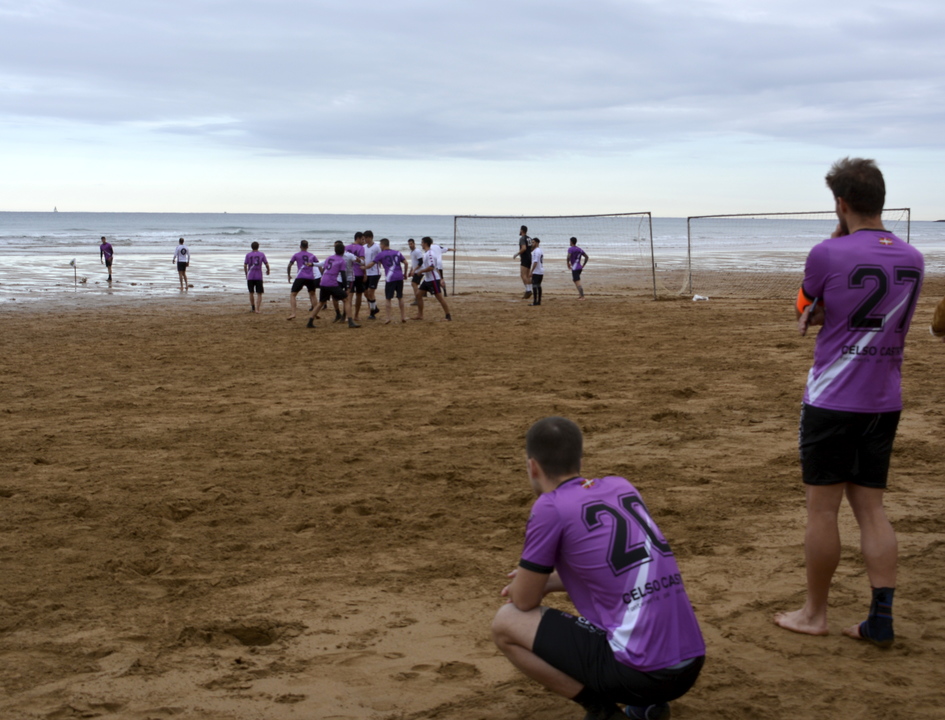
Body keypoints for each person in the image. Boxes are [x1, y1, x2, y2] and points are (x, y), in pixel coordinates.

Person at [774, 158, 924, 648]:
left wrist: (816, 311)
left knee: (822, 511)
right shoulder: (914, 259)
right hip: (884, 399)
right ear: (881, 200)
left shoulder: (827, 252)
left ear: (840, 203)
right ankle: (880, 618)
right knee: (872, 510)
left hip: (833, 397)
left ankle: (814, 613)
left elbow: (803, 307)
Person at [492, 417, 705, 720]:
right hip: (690, 662)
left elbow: (525, 601)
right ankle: (648, 707)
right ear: (580, 460)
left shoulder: (549, 506)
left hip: (643, 674)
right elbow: (619, 569)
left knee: (506, 622)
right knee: (626, 608)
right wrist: (550, 581)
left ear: (532, 466)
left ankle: (603, 712)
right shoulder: (621, 486)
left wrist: (524, 586)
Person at [313, 241, 360, 329]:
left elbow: (360, 262)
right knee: (337, 298)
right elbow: (323, 264)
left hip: (348, 279)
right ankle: (338, 314)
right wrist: (313, 264)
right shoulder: (334, 257)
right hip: (337, 279)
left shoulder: (349, 256)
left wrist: (359, 260)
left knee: (347, 298)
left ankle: (345, 316)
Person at [366, 238, 410, 324]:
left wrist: (364, 267)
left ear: (383, 245)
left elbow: (372, 264)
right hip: (399, 277)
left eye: (380, 245)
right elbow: (406, 263)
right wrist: (405, 274)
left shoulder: (381, 254)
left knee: (388, 298)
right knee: (400, 297)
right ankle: (403, 316)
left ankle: (388, 318)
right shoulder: (397, 252)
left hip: (390, 278)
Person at [414, 237, 451, 321]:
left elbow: (431, 267)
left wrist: (421, 271)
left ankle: (448, 316)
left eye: (422, 243)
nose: (421, 244)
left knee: (440, 298)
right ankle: (420, 315)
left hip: (433, 280)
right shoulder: (427, 253)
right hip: (427, 279)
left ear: (425, 243)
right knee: (418, 295)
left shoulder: (430, 254)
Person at [286, 240, 320, 323]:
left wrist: (289, 275)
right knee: (313, 294)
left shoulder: (296, 255)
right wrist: (322, 275)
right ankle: (315, 313)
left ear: (300, 246)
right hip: (310, 277)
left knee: (293, 294)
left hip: (300, 277)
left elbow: (289, 265)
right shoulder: (312, 255)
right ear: (307, 247)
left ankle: (293, 313)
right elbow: (319, 265)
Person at [345, 232, 367, 321]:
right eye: (362, 239)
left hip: (348, 274)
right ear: (358, 238)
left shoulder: (346, 247)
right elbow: (362, 261)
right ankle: (356, 315)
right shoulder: (361, 248)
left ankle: (348, 316)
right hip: (358, 273)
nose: (363, 241)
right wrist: (365, 273)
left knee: (349, 295)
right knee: (358, 294)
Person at [243, 241, 270, 314]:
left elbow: (245, 265)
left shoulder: (248, 255)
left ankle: (253, 308)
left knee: (251, 292)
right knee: (259, 293)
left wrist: (246, 274)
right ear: (258, 247)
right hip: (258, 276)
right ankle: (257, 309)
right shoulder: (261, 254)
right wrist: (268, 270)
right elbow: (266, 264)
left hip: (250, 276)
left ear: (251, 247)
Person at [362, 230, 382, 319]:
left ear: (370, 237)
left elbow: (380, 258)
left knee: (371, 292)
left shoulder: (377, 247)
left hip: (375, 272)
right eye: (364, 238)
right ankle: (375, 308)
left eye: (366, 238)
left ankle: (372, 312)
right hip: (367, 273)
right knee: (366, 293)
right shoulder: (364, 247)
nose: (365, 240)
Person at [513, 225, 532, 299]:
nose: (519, 231)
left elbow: (524, 248)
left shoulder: (522, 238)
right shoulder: (529, 238)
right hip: (530, 257)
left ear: (522, 230)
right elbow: (531, 248)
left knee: (523, 275)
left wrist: (517, 254)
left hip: (525, 258)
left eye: (520, 230)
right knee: (527, 275)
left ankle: (528, 290)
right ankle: (529, 290)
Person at [407, 238, 424, 305]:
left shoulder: (417, 251)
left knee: (413, 283)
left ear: (414, 244)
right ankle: (418, 297)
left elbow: (421, 262)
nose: (410, 245)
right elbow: (414, 263)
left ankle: (418, 299)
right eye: (409, 244)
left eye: (411, 244)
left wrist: (414, 270)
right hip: (416, 271)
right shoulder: (412, 252)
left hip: (420, 271)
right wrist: (410, 270)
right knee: (414, 284)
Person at [529, 238, 544, 306]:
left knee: (535, 286)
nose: (532, 244)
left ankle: (535, 301)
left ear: (537, 243)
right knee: (538, 286)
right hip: (540, 270)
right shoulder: (539, 250)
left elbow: (535, 261)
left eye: (533, 242)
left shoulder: (536, 251)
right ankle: (538, 301)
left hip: (537, 271)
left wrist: (531, 271)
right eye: (532, 242)